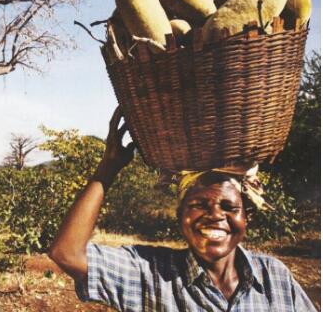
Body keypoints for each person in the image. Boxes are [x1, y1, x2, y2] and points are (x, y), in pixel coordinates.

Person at [49, 106, 316, 312]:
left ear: (247, 216)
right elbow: (67, 253)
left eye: (229, 206)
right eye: (199, 204)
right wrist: (107, 169)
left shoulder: (274, 277)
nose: (214, 215)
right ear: (179, 216)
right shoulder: (150, 274)